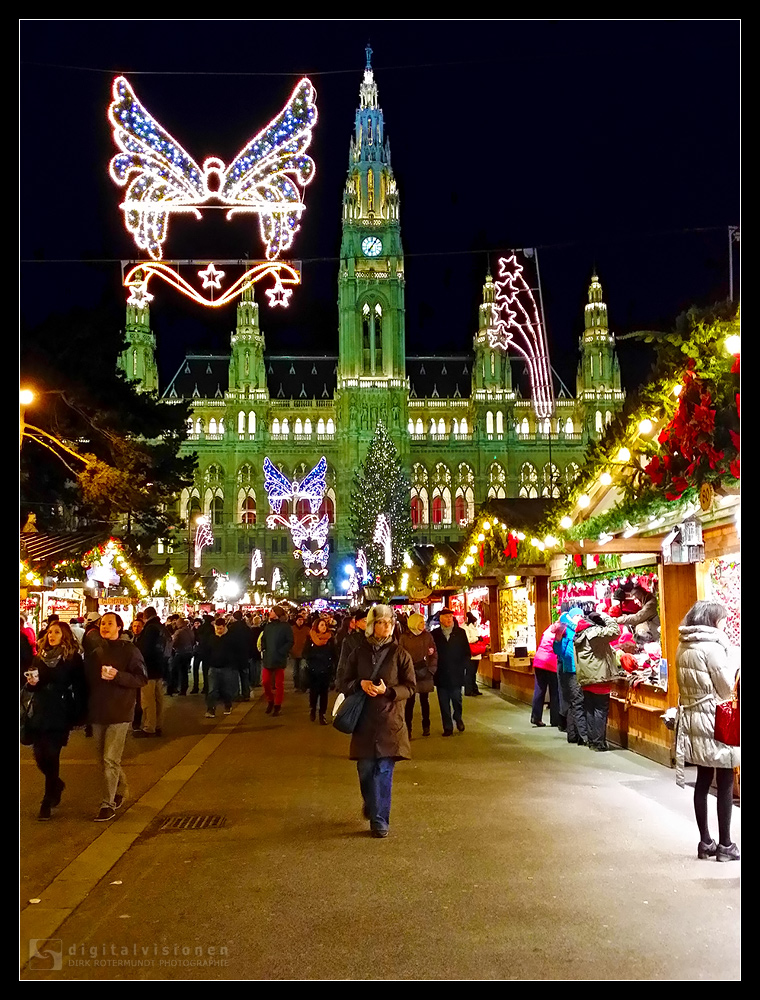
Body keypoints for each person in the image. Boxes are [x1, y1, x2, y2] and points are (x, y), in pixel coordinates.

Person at [340, 605, 415, 838]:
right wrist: (359, 684)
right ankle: (372, 803)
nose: (386, 626)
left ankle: (380, 819)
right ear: (372, 625)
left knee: (383, 770)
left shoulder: (400, 653)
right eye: (381, 622)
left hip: (389, 720)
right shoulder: (358, 652)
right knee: (365, 769)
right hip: (363, 720)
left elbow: (410, 687)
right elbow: (343, 681)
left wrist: (389, 691)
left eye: (389, 622)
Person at [675, 600, 740, 862]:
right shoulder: (712, 648)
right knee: (725, 781)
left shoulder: (683, 645)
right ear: (714, 621)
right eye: (722, 619)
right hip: (716, 719)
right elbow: (726, 688)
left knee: (702, 780)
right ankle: (726, 845)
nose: (725, 623)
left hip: (693, 719)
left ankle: (705, 842)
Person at [84, 612, 147, 821]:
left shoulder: (129, 650)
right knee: (103, 760)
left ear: (119, 627)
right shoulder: (95, 652)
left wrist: (118, 676)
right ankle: (121, 790)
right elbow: (86, 680)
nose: (105, 626)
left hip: (120, 711)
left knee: (110, 759)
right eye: (103, 623)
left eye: (110, 623)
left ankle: (107, 804)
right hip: (99, 711)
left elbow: (141, 678)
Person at [22, 621, 87, 820]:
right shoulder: (39, 657)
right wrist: (31, 683)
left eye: (56, 632)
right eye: (50, 632)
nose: (52, 635)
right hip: (40, 710)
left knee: (52, 754)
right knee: (40, 756)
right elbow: (31, 684)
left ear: (64, 636)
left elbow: (80, 686)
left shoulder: (71, 658)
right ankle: (56, 783)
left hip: (60, 711)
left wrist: (80, 713)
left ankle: (47, 800)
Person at [572, 610, 621, 751]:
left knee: (590, 710)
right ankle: (599, 743)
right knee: (600, 710)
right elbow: (615, 631)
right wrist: (606, 616)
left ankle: (592, 741)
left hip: (587, 678)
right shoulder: (594, 633)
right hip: (598, 677)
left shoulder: (580, 634)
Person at [432, 608, 471, 736]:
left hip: (456, 672)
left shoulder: (460, 633)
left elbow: (466, 652)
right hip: (441, 673)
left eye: (450, 616)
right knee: (443, 703)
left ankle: (458, 717)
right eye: (446, 617)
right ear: (441, 619)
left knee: (457, 699)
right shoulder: (435, 634)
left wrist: (464, 667)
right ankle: (447, 727)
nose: (449, 619)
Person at [398, 612, 438, 738]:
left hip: (425, 673)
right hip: (410, 673)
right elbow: (399, 656)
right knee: (409, 703)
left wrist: (431, 669)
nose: (423, 625)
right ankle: (408, 729)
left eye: (423, 622)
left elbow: (434, 653)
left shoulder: (427, 636)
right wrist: (405, 672)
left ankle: (426, 725)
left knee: (424, 701)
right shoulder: (404, 637)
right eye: (420, 622)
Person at [553, 607, 588, 746]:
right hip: (572, 671)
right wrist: (558, 639)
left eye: (581, 615)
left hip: (577, 670)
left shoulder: (579, 629)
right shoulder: (569, 630)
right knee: (578, 702)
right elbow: (558, 651)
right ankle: (582, 735)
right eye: (577, 615)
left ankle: (573, 734)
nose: (580, 617)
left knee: (574, 703)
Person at [134, 606, 171, 737]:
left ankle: (149, 727)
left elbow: (146, 650)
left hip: (149, 668)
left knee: (148, 700)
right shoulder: (161, 627)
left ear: (145, 615)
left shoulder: (150, 629)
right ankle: (158, 724)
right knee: (158, 699)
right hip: (160, 667)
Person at [259, 606, 293, 716]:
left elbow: (290, 641)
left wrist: (282, 651)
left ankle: (277, 705)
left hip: (279, 657)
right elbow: (263, 639)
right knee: (265, 681)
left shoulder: (285, 626)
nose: (270, 613)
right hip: (268, 657)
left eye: (272, 611)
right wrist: (264, 648)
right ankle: (270, 700)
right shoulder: (268, 626)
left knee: (279, 684)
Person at [302, 618, 337, 724]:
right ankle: (313, 709)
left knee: (324, 694)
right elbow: (305, 653)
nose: (323, 627)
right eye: (321, 625)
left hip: (326, 670)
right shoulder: (310, 638)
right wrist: (314, 657)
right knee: (313, 693)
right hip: (313, 670)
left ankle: (322, 714)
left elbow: (334, 653)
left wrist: (333, 665)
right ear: (316, 626)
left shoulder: (330, 639)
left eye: (325, 625)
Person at [205, 617, 239, 718]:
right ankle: (211, 709)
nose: (218, 631)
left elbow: (235, 652)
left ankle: (228, 705)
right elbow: (207, 651)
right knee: (212, 690)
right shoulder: (211, 638)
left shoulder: (230, 638)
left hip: (227, 667)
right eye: (217, 628)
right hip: (213, 666)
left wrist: (233, 663)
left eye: (220, 628)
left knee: (226, 688)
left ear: (224, 627)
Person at [531, 622, 561, 728]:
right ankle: (555, 719)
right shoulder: (560, 633)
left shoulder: (547, 631)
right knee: (555, 692)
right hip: (550, 663)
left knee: (539, 690)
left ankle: (536, 717)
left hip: (539, 660)